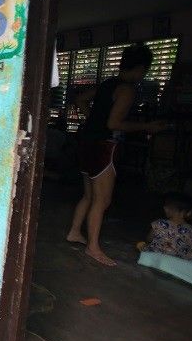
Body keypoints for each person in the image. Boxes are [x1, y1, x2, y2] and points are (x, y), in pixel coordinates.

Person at [66, 43, 167, 266]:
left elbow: (80, 99)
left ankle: (75, 232)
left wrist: (92, 121)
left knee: (89, 195)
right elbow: (114, 123)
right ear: (140, 68)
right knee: (102, 200)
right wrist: (146, 127)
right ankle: (93, 247)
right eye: (145, 71)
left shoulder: (107, 84)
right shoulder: (126, 89)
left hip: (86, 142)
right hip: (103, 145)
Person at [137, 193, 192, 259]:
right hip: (178, 256)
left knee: (141, 244)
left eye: (166, 206)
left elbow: (149, 239)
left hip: (158, 252)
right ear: (189, 213)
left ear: (167, 209)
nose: (164, 207)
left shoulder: (159, 223)